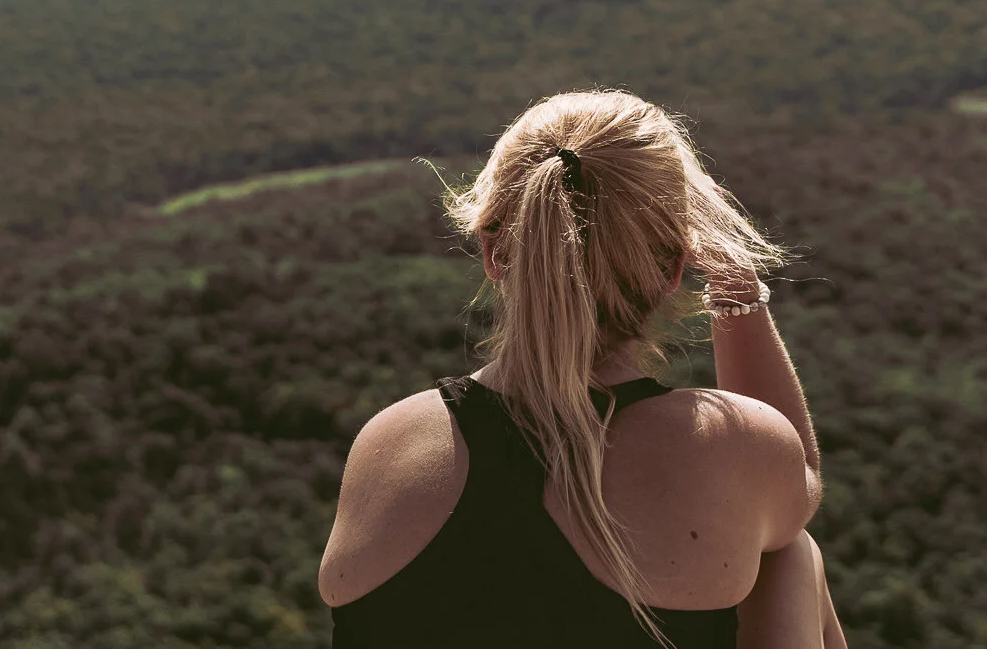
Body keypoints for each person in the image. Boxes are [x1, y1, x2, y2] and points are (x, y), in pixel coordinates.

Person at [321, 90, 845, 648]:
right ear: (673, 268)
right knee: (788, 553)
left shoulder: (389, 442)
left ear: (494, 252)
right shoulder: (726, 444)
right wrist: (738, 293)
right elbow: (800, 480)